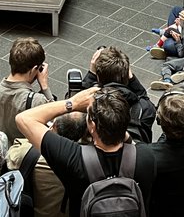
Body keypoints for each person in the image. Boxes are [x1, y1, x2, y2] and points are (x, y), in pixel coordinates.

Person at [15, 85, 156, 217]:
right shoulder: (147, 156)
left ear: (92, 127)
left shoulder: (73, 158)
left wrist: (72, 103)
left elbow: (24, 119)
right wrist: (119, 128)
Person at [0, 37, 53, 142]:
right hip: (20, 156)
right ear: (34, 69)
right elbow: (58, 124)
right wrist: (45, 87)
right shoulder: (37, 101)